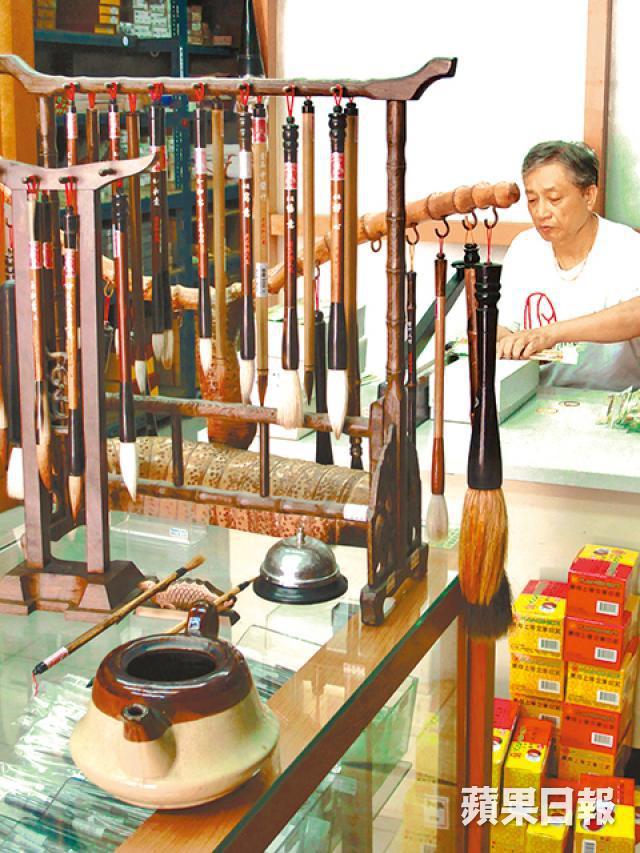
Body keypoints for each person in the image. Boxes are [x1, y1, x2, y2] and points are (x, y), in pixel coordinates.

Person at [497, 140, 640, 390]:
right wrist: (509, 344)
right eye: (532, 200)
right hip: (537, 395)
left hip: (611, 398)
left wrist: (551, 334)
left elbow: (635, 314)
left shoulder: (626, 246)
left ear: (588, 196)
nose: (541, 212)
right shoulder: (524, 248)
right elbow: (504, 327)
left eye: (554, 199)